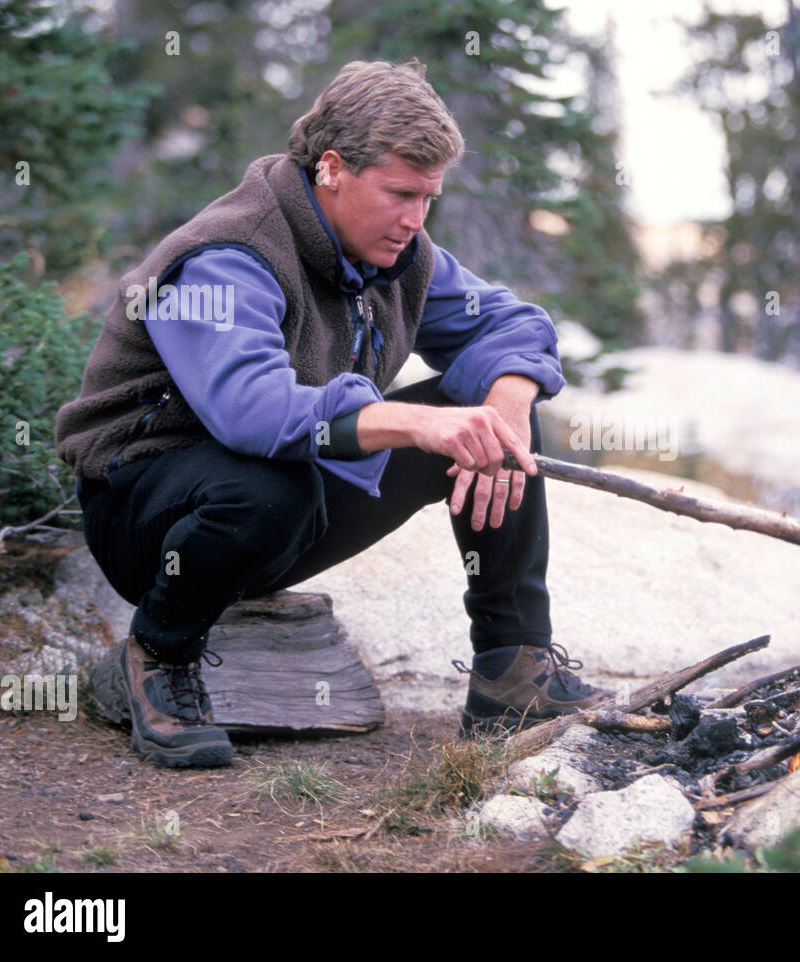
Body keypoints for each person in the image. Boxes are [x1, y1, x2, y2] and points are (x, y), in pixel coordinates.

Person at [54, 59, 606, 769]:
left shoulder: (397, 253)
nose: (415, 219)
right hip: (150, 511)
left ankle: (511, 670)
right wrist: (410, 422)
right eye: (401, 194)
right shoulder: (229, 253)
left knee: (491, 419)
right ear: (333, 168)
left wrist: (505, 399)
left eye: (429, 198)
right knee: (266, 484)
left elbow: (513, 325)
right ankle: (157, 655)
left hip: (291, 496)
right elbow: (252, 413)